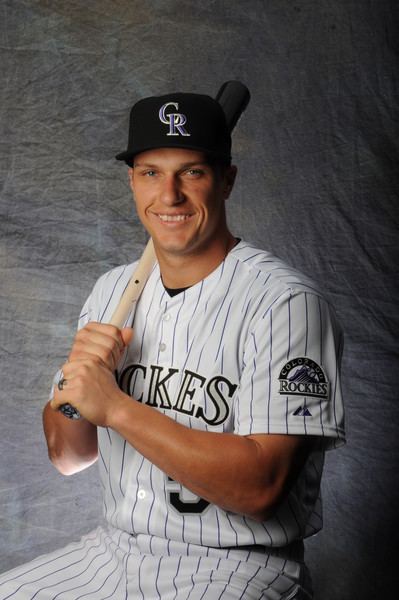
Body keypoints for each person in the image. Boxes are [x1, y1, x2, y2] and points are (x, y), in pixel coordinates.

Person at [0, 91, 345, 599]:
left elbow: (260, 489)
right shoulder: (111, 292)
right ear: (132, 181)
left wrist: (115, 407)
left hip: (236, 566)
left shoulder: (285, 303)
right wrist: (74, 394)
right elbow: (69, 457)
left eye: (192, 172)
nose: (169, 196)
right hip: (113, 551)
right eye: (151, 173)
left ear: (226, 180)